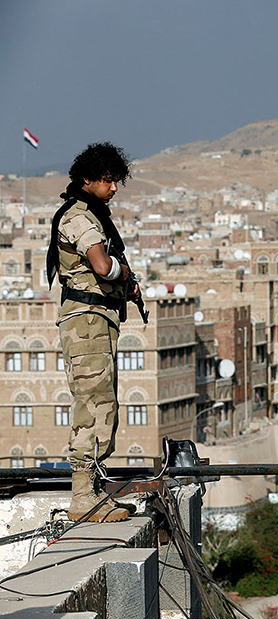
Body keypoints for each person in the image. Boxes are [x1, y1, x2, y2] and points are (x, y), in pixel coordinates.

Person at [47, 142, 140, 522]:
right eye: (108, 180)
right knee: (93, 407)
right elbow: (101, 266)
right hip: (85, 324)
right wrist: (125, 274)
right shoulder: (79, 216)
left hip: (95, 321)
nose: (114, 187)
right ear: (88, 179)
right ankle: (84, 498)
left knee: (104, 405)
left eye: (117, 180)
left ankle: (95, 492)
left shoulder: (91, 213)